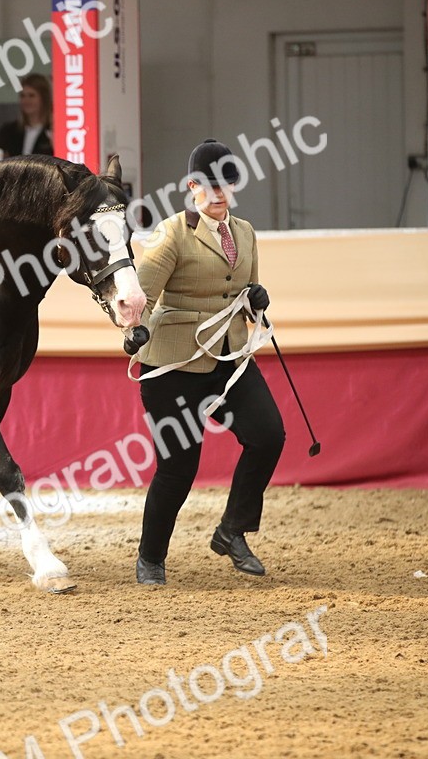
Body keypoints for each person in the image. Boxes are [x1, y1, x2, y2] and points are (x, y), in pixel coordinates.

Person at [127, 139, 286, 586]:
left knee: (268, 435)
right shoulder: (172, 233)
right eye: (209, 186)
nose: (219, 194)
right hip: (172, 367)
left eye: (226, 185)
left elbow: (245, 298)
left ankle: (232, 530)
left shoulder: (246, 233)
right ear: (191, 186)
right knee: (179, 467)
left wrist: (257, 299)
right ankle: (150, 558)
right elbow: (142, 297)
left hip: (228, 359)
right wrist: (133, 330)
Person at [0, 73, 53, 158]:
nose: (26, 100)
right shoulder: (9, 131)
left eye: (31, 96)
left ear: (44, 98)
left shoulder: (53, 131)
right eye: (22, 96)